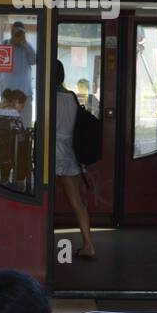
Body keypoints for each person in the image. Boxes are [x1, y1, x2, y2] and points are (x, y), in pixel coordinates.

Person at [54, 59, 96, 260]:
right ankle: (88, 244)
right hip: (70, 152)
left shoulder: (49, 97)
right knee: (77, 202)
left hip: (52, 153)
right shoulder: (71, 96)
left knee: (43, 199)